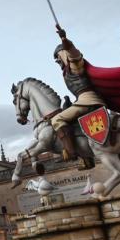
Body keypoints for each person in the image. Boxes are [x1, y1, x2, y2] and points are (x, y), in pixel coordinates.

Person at [49, 28, 105, 163]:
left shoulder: (75, 65)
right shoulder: (67, 72)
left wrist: (64, 40)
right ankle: (87, 158)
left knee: (56, 120)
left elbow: (74, 53)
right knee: (72, 123)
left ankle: (71, 152)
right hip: (84, 100)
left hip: (88, 101)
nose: (58, 61)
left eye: (58, 57)